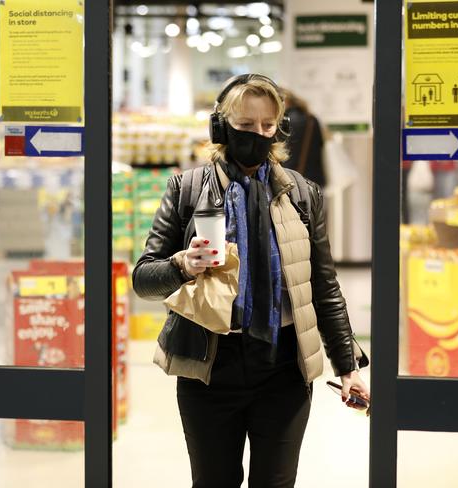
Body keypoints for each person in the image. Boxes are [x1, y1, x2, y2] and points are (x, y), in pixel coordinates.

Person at [132, 73, 369, 488]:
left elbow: (323, 287)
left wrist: (347, 367)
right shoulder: (186, 189)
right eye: (245, 125)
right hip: (209, 367)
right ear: (222, 127)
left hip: (283, 372)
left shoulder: (303, 194)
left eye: (267, 125)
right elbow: (144, 279)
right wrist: (183, 265)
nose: (257, 135)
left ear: (280, 128)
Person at [277, 87, 326, 187]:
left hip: (295, 180)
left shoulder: (286, 121)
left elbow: (286, 154)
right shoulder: (311, 119)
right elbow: (320, 144)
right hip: (315, 178)